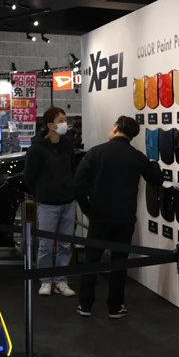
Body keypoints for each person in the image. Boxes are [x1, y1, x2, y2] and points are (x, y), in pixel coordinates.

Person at [73, 115, 163, 319]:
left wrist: (87, 209)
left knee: (92, 261)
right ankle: (115, 306)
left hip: (99, 217)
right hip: (124, 218)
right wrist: (154, 164)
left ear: (115, 128)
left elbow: (78, 184)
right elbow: (156, 180)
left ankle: (85, 305)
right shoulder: (137, 156)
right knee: (119, 262)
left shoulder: (96, 152)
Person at [24, 107, 77, 297]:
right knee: (45, 245)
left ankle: (61, 280)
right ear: (50, 125)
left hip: (68, 201)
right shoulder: (37, 148)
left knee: (65, 244)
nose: (65, 123)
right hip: (47, 203)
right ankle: (45, 280)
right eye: (60, 120)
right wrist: (39, 194)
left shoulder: (67, 145)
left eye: (65, 119)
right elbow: (29, 175)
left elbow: (72, 169)